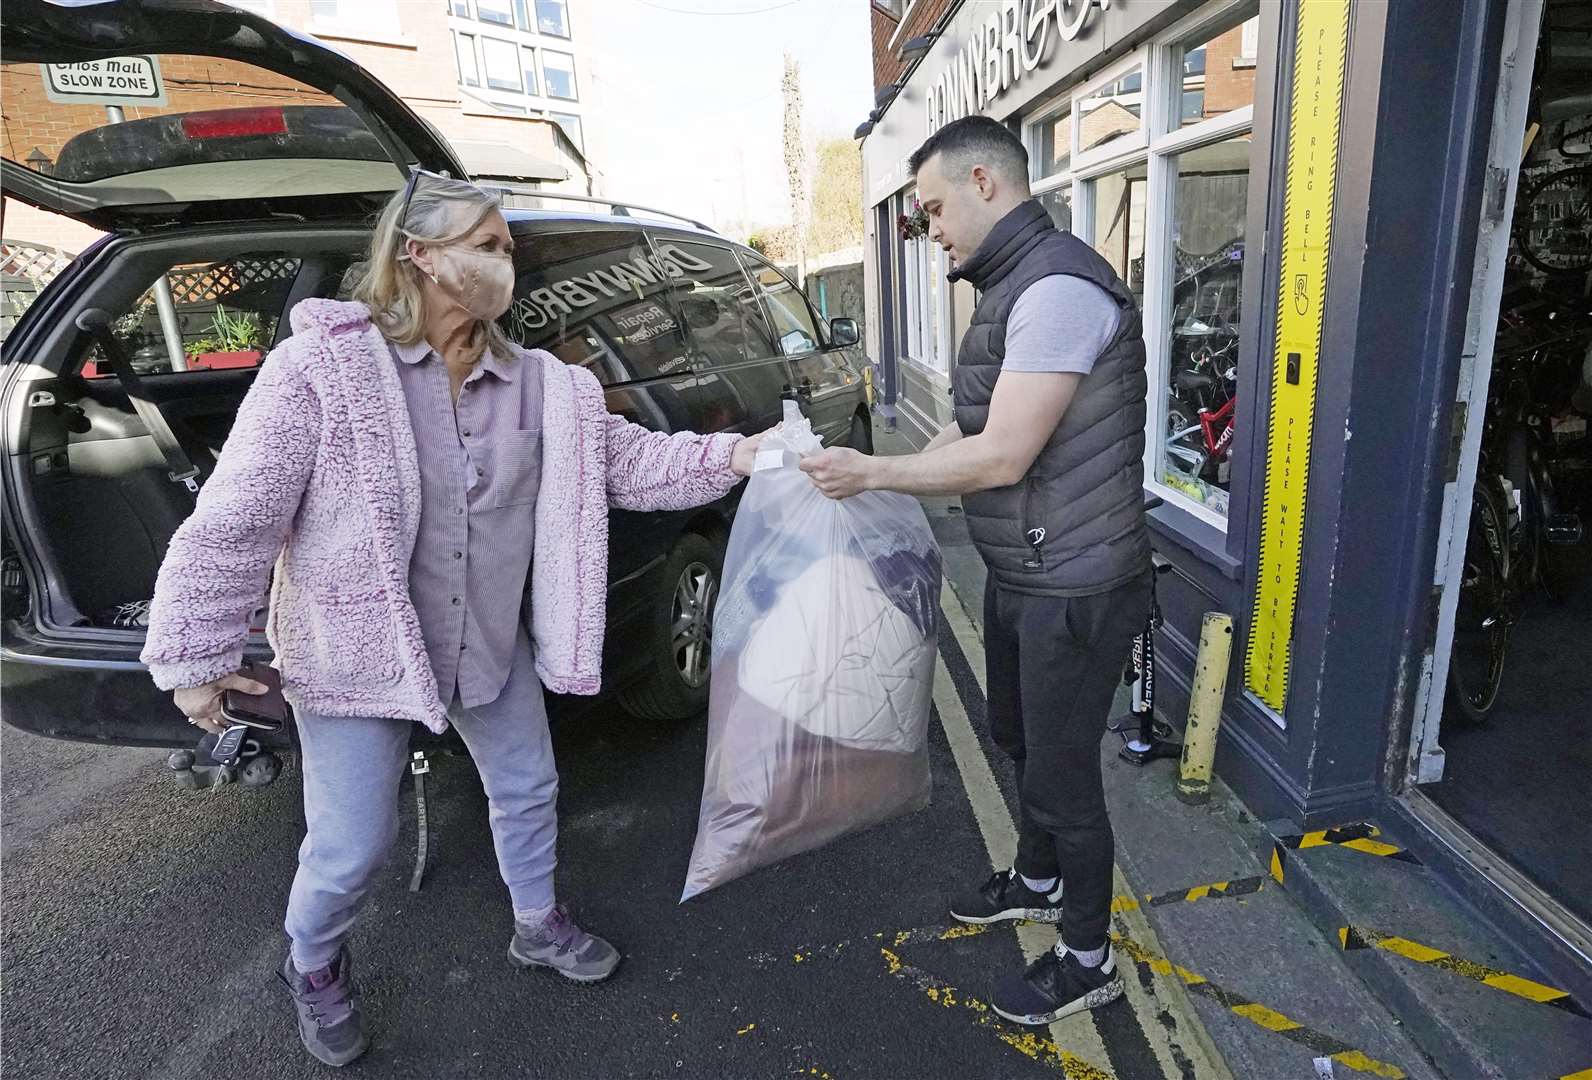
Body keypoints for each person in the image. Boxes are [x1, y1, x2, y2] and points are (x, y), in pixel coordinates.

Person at [140, 172, 768, 1067]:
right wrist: (194, 656)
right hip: (354, 652)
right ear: (418, 255)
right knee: (354, 844)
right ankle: (313, 964)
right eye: (485, 244)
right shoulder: (324, 370)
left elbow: (630, 463)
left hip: (485, 641)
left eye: (507, 249)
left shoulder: (544, 385)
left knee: (529, 786)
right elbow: (242, 513)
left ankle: (537, 923)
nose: (502, 262)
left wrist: (742, 453)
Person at [801, 115, 1152, 1026]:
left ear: (986, 183)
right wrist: (878, 480)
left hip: (1078, 583)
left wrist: (877, 471)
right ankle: (1037, 880)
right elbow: (971, 429)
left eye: (930, 209)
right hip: (1025, 571)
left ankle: (1087, 957)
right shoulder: (1011, 289)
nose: (929, 231)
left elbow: (1001, 456)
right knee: (1018, 738)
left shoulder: (1059, 291)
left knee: (1064, 779)